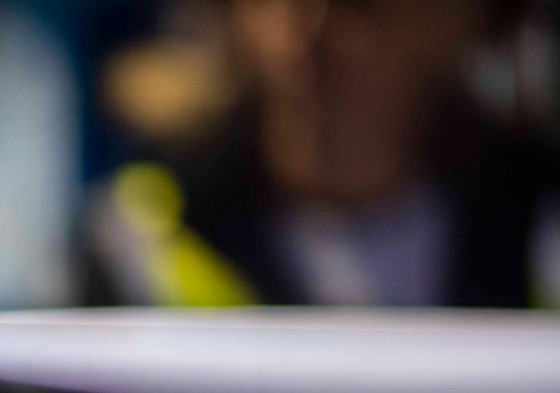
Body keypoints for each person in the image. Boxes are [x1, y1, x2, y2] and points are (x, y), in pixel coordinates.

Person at [82, 0, 559, 309]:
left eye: (363, 7)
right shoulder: (133, 239)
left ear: (472, 19)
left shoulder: (541, 229)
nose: (311, 29)